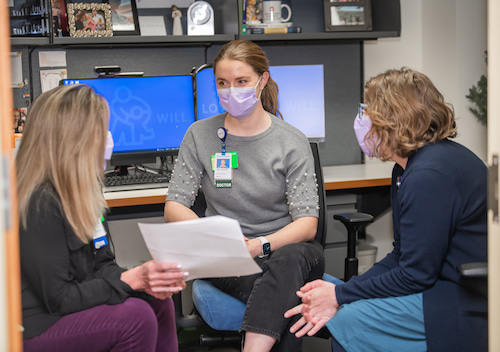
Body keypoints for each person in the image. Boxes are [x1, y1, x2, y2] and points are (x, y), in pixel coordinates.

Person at [285, 67, 488, 352]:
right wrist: (343, 291)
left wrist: (342, 295)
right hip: (436, 285)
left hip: (458, 298)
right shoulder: (406, 168)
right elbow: (402, 256)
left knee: (350, 320)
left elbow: (416, 274)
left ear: (393, 116)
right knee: (334, 300)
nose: (361, 118)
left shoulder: (430, 175)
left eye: (367, 109)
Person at [164, 40, 325, 352]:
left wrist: (258, 245)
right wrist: (219, 240)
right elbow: (174, 207)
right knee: (287, 296)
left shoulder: (291, 141)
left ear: (262, 80)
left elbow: (307, 225)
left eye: (241, 82)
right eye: (222, 83)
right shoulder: (199, 135)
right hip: (227, 256)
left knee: (289, 262)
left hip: (285, 250)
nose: (231, 90)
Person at [17, 84, 188, 352]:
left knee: (158, 302)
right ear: (72, 139)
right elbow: (59, 300)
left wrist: (144, 278)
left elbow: (103, 264)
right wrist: (131, 279)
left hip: (72, 305)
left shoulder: (82, 192)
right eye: (101, 130)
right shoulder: (39, 203)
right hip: (40, 325)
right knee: (135, 318)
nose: (108, 138)